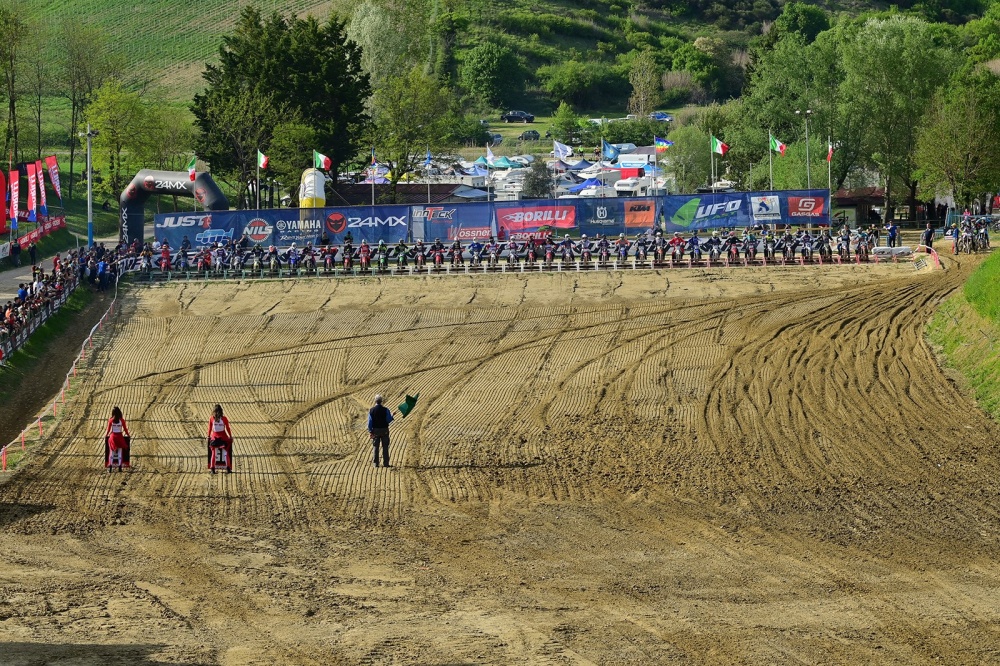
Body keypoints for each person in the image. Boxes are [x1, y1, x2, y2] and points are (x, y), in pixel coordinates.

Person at [368, 394, 394, 468]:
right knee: (385, 446)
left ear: (375, 401)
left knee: (376, 446)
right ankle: (386, 463)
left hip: (375, 430)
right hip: (384, 430)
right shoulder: (386, 410)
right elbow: (388, 420)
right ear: (381, 401)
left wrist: (370, 431)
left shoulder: (371, 410)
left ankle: (376, 464)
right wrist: (392, 416)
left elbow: (370, 422)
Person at [207, 404, 233, 473]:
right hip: (223, 438)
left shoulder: (211, 418)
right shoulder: (224, 419)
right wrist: (230, 436)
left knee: (214, 453)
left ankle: (212, 468)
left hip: (214, 438)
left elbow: (209, 428)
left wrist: (208, 436)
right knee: (225, 453)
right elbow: (227, 428)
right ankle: (228, 467)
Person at [104, 406, 131, 471]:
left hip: (112, 437)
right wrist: (128, 435)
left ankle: (110, 466)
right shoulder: (122, 420)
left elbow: (108, 430)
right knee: (120, 452)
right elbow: (125, 429)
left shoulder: (111, 420)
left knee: (111, 452)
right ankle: (120, 466)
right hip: (119, 437)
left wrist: (106, 435)